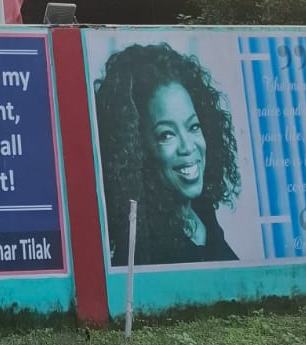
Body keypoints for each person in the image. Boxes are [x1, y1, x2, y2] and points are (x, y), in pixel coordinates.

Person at [93, 43, 241, 267]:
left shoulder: (203, 213)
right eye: (166, 135)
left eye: (193, 127)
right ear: (137, 150)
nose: (188, 147)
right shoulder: (143, 251)